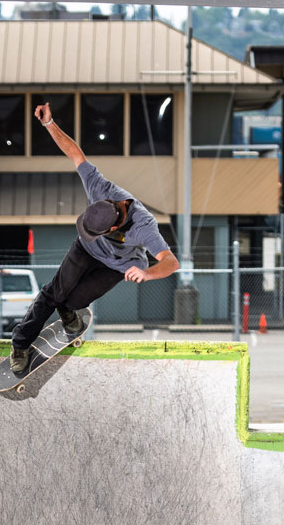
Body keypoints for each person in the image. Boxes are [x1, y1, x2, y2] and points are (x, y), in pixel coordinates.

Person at [10, 102, 180, 374]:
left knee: (76, 300)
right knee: (54, 292)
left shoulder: (143, 225)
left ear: (113, 228)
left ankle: (69, 311)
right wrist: (49, 124)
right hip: (86, 249)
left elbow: (171, 263)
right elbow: (75, 154)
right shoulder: (100, 187)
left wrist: (147, 273)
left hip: (119, 265)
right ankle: (19, 345)